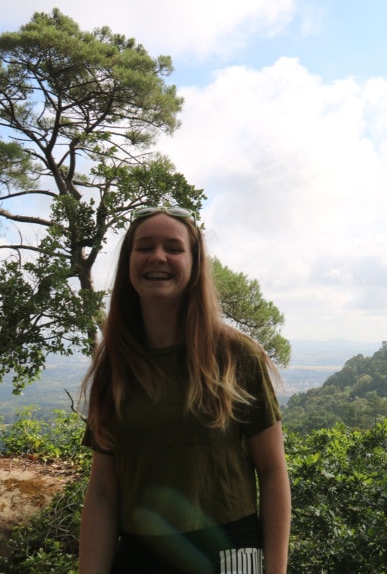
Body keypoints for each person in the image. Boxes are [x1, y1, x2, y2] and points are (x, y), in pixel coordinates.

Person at [78, 206, 290, 573]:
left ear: (194, 265)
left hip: (229, 551)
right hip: (141, 554)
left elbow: (272, 471)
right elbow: (102, 491)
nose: (158, 256)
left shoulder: (236, 355)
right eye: (144, 247)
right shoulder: (115, 364)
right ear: (129, 262)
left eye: (173, 248)